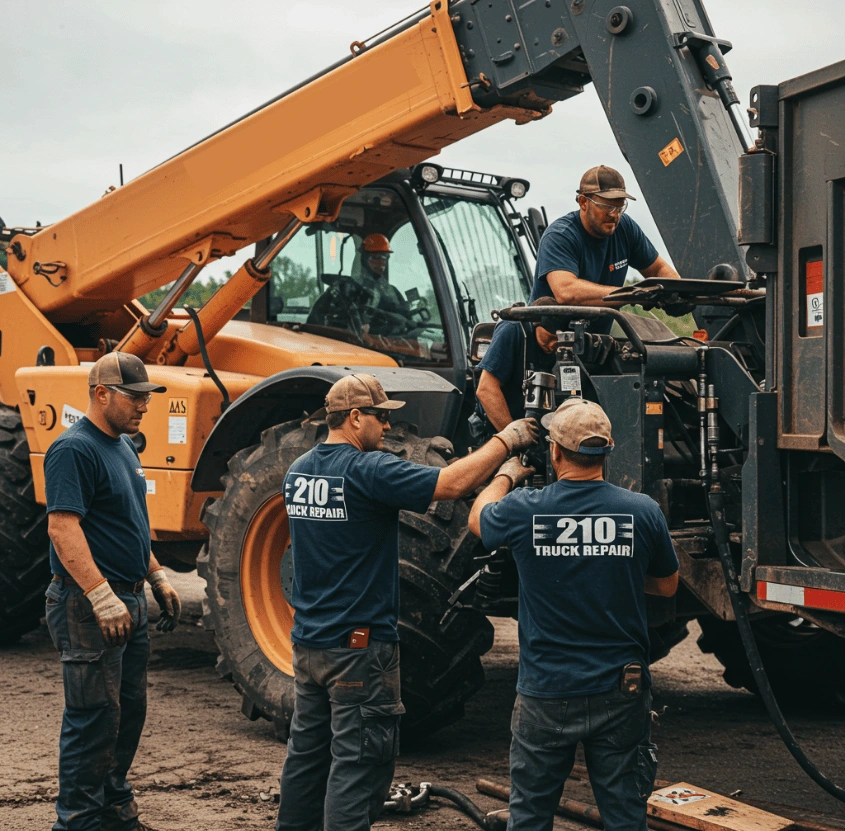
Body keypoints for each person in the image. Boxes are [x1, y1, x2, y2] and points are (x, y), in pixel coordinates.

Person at [276, 372, 538, 831]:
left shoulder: (299, 472)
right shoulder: (368, 471)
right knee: (359, 765)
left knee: (307, 756)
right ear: (355, 418)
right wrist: (507, 446)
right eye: (381, 418)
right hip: (358, 648)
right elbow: (452, 484)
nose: (388, 429)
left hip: (310, 644)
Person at [468, 398, 679, 831]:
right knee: (624, 813)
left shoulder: (525, 508)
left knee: (528, 815)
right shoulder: (643, 511)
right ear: (608, 451)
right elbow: (666, 585)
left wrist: (507, 473)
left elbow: (478, 520)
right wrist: (610, 568)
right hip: (621, 687)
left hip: (547, 688)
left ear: (555, 452)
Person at [44, 352, 181, 831]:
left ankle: (115, 812)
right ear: (101, 394)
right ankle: (78, 822)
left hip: (127, 599)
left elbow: (128, 524)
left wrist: (156, 575)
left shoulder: (123, 447)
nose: (144, 405)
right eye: (136, 396)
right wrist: (102, 595)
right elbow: (64, 528)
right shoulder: (73, 450)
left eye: (147, 397)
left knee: (127, 714)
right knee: (92, 718)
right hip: (88, 605)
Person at [531, 165, 681, 334]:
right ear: (583, 202)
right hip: (551, 345)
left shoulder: (625, 229)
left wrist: (676, 291)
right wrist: (632, 294)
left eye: (619, 208)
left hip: (597, 345)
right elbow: (566, 292)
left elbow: (657, 268)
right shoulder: (560, 236)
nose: (614, 215)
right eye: (607, 207)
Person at [475, 296, 561, 432]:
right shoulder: (512, 330)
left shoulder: (554, 349)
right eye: (549, 338)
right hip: (499, 429)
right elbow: (486, 390)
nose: (552, 346)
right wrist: (514, 438)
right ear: (534, 323)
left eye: (557, 341)